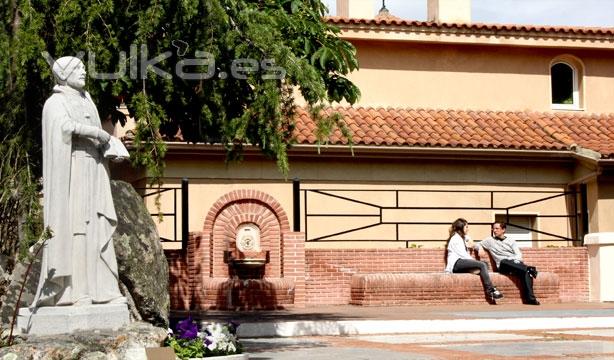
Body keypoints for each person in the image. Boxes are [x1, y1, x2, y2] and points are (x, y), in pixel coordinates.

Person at [32, 56, 126, 307]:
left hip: (94, 168)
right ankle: (75, 292)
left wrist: (107, 145)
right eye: (77, 69)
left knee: (96, 226)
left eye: (83, 68)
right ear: (63, 74)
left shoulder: (88, 101)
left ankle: (102, 289)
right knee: (77, 227)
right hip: (72, 170)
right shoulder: (56, 102)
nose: (83, 72)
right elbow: (62, 127)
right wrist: (96, 133)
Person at [475, 222, 540, 305]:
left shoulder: (511, 241)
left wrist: (512, 259)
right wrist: (480, 249)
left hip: (515, 264)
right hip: (503, 266)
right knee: (504, 261)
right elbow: (477, 244)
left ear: (503, 230)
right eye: (493, 228)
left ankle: (530, 299)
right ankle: (528, 268)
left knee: (526, 273)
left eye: (497, 228)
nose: (494, 230)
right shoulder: (489, 241)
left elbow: (519, 255)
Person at [445, 218, 503, 302]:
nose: (468, 229)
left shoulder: (465, 237)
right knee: (482, 265)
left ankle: (478, 271)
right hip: (456, 264)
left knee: (484, 265)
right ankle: (490, 290)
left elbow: (474, 244)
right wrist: (476, 262)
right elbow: (463, 255)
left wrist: (479, 248)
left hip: (463, 262)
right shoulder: (455, 239)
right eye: (466, 227)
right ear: (461, 228)